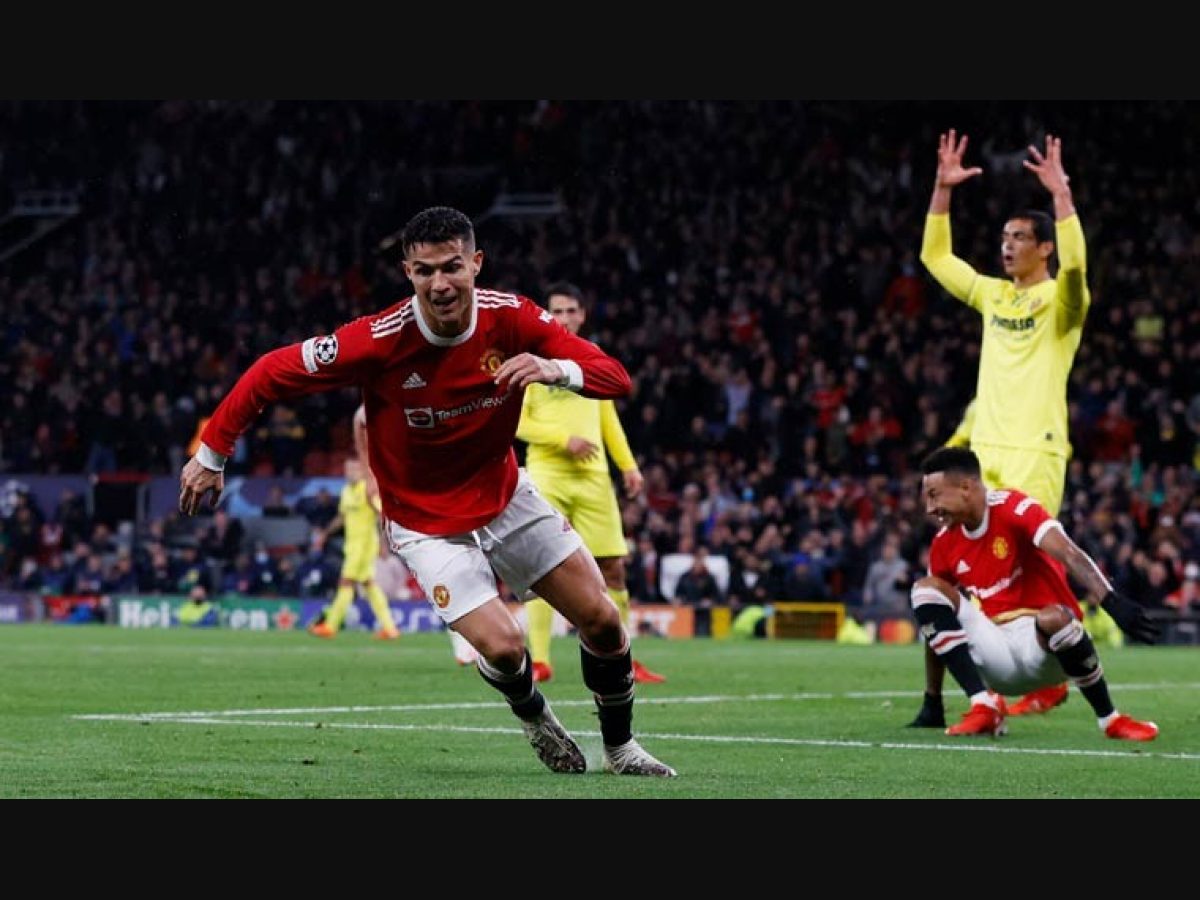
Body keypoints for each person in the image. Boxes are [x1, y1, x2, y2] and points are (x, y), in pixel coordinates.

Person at [179, 206, 675, 777]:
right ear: (408, 273)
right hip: (424, 520)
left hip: (506, 496)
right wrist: (211, 455)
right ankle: (533, 713)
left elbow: (616, 376)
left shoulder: (512, 317)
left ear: (475, 264)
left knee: (604, 620)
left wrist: (553, 366)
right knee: (507, 647)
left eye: (452, 267)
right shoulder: (378, 340)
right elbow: (269, 371)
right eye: (424, 271)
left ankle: (621, 749)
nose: (440, 284)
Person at [913, 131, 1093, 726]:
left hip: (1037, 452)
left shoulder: (1061, 305)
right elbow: (936, 260)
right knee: (949, 570)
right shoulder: (994, 296)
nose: (1007, 246)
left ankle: (1050, 675)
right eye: (1004, 237)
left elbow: (1076, 273)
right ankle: (947, 697)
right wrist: (941, 191)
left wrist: (1062, 196)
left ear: (1045, 247)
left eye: (1019, 238)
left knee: (1032, 569)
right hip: (982, 457)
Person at [911, 447, 1159, 741]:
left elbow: (1068, 552)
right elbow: (935, 626)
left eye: (934, 494)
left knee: (1054, 618)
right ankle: (984, 706)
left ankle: (1111, 720)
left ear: (966, 487)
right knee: (926, 591)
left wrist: (1111, 600)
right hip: (996, 653)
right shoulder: (944, 544)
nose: (929, 508)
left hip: (1048, 650)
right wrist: (932, 701)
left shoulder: (1013, 508)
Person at [515, 282, 664, 685]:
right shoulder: (532, 359)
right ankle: (542, 659)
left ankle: (626, 658)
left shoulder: (592, 358)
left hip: (595, 479)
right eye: (556, 312)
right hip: (548, 475)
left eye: (570, 312)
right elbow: (517, 421)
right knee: (543, 568)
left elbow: (607, 417)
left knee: (613, 567)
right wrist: (564, 440)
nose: (563, 319)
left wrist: (628, 466)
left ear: (582, 315)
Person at [351, 401, 476, 663]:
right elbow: (360, 419)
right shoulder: (392, 395)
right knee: (441, 566)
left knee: (467, 560)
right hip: (413, 497)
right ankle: (461, 632)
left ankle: (469, 631)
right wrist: (368, 474)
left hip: (454, 488)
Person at [308, 455, 401, 640]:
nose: (350, 473)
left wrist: (383, 543)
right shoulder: (346, 492)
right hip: (351, 546)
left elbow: (381, 515)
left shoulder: (367, 490)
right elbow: (342, 518)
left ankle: (330, 625)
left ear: (361, 470)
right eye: (347, 470)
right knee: (369, 585)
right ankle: (390, 628)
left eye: (354, 469)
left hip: (364, 546)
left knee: (346, 582)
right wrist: (325, 534)